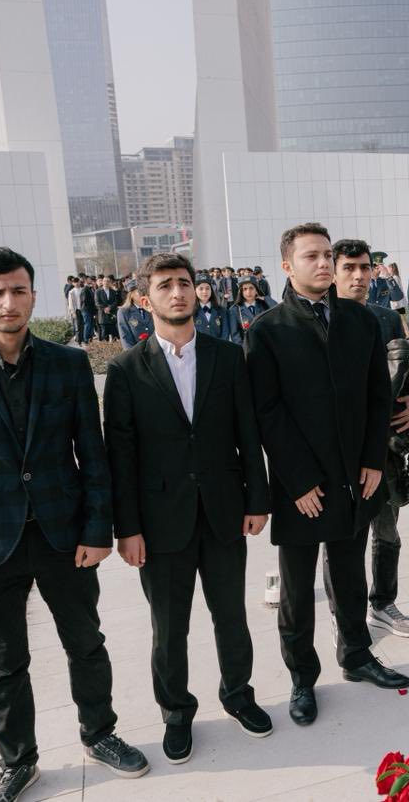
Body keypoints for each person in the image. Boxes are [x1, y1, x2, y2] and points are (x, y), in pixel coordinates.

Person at [0, 247, 148, 802]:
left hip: (64, 537)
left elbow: (92, 454)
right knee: (4, 662)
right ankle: (18, 760)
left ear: (33, 296)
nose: (8, 302)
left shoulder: (67, 364)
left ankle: (100, 733)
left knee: (86, 643)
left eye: (18, 290)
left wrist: (96, 531)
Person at [103, 252, 273, 765]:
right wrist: (127, 528)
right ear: (144, 298)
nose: (177, 292)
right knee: (169, 627)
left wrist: (257, 498)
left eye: (184, 283)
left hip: (224, 511)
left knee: (231, 616)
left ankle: (238, 694)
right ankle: (176, 712)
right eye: (164, 285)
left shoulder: (227, 356)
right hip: (159, 523)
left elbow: (248, 433)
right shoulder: (126, 369)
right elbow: (120, 456)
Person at [245, 222, 409, 728]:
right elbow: (266, 412)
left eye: (326, 255)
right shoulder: (268, 330)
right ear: (287, 266)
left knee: (349, 573)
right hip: (301, 486)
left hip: (355, 475)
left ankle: (356, 655)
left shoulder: (361, 321)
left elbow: (377, 396)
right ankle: (302, 677)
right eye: (310, 256)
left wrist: (372, 460)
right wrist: (297, 481)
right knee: (297, 591)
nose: (322, 263)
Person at [330, 239, 409, 637]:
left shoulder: (386, 319)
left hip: (385, 449)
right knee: (341, 540)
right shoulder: (322, 320)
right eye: (349, 268)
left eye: (365, 268)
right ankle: (342, 615)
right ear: (333, 272)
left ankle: (383, 603)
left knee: (387, 532)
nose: (359, 276)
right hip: (340, 449)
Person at [227, 278, 270, 345]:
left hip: (266, 344)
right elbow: (235, 334)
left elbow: (276, 309)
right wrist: (243, 348)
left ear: (256, 290)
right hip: (247, 346)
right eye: (245, 289)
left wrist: (265, 298)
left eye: (251, 288)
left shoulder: (264, 305)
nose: (248, 292)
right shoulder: (234, 310)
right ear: (241, 291)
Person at [192, 275, 231, 341]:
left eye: (207, 288)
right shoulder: (190, 312)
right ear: (195, 290)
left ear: (211, 290)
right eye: (201, 289)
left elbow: (225, 334)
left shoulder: (221, 311)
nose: (205, 291)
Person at [96, 277, 121, 342]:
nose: (106, 282)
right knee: (104, 333)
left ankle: (114, 345)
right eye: (105, 281)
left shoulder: (113, 291)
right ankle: (104, 346)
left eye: (108, 281)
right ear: (102, 282)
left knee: (114, 333)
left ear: (110, 283)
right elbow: (97, 303)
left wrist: (110, 307)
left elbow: (115, 301)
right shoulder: (98, 291)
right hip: (103, 315)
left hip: (112, 314)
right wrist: (104, 308)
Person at [79, 276, 98, 344]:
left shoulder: (89, 288)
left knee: (91, 324)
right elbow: (84, 300)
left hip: (90, 309)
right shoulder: (85, 289)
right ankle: (86, 339)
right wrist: (93, 303)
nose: (91, 281)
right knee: (87, 324)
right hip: (86, 309)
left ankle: (90, 338)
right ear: (86, 280)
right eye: (90, 280)